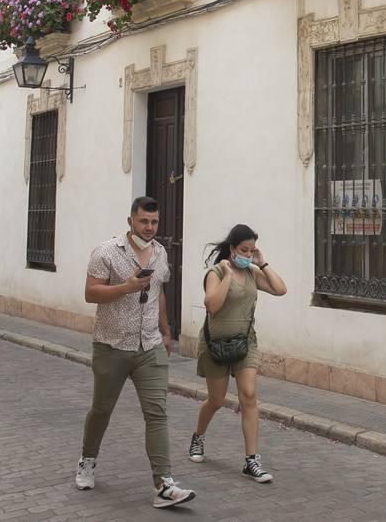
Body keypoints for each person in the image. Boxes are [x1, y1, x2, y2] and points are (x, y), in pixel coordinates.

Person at [75, 196, 195, 509]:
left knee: (157, 413)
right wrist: (125, 287)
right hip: (111, 345)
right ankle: (87, 461)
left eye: (154, 222)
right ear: (130, 221)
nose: (149, 227)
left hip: (150, 346)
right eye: (144, 221)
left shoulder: (160, 252)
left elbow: (159, 293)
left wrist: (167, 331)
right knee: (101, 410)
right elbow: (91, 292)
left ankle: (164, 484)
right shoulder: (106, 252)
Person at [187, 223, 287, 482]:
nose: (248, 255)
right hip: (216, 345)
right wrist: (228, 276)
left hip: (245, 342)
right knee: (217, 400)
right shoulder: (216, 273)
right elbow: (212, 305)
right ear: (232, 249)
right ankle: (198, 436)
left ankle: (251, 461)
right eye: (244, 250)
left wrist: (263, 263)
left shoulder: (253, 271)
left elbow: (280, 289)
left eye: (252, 251)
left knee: (249, 396)